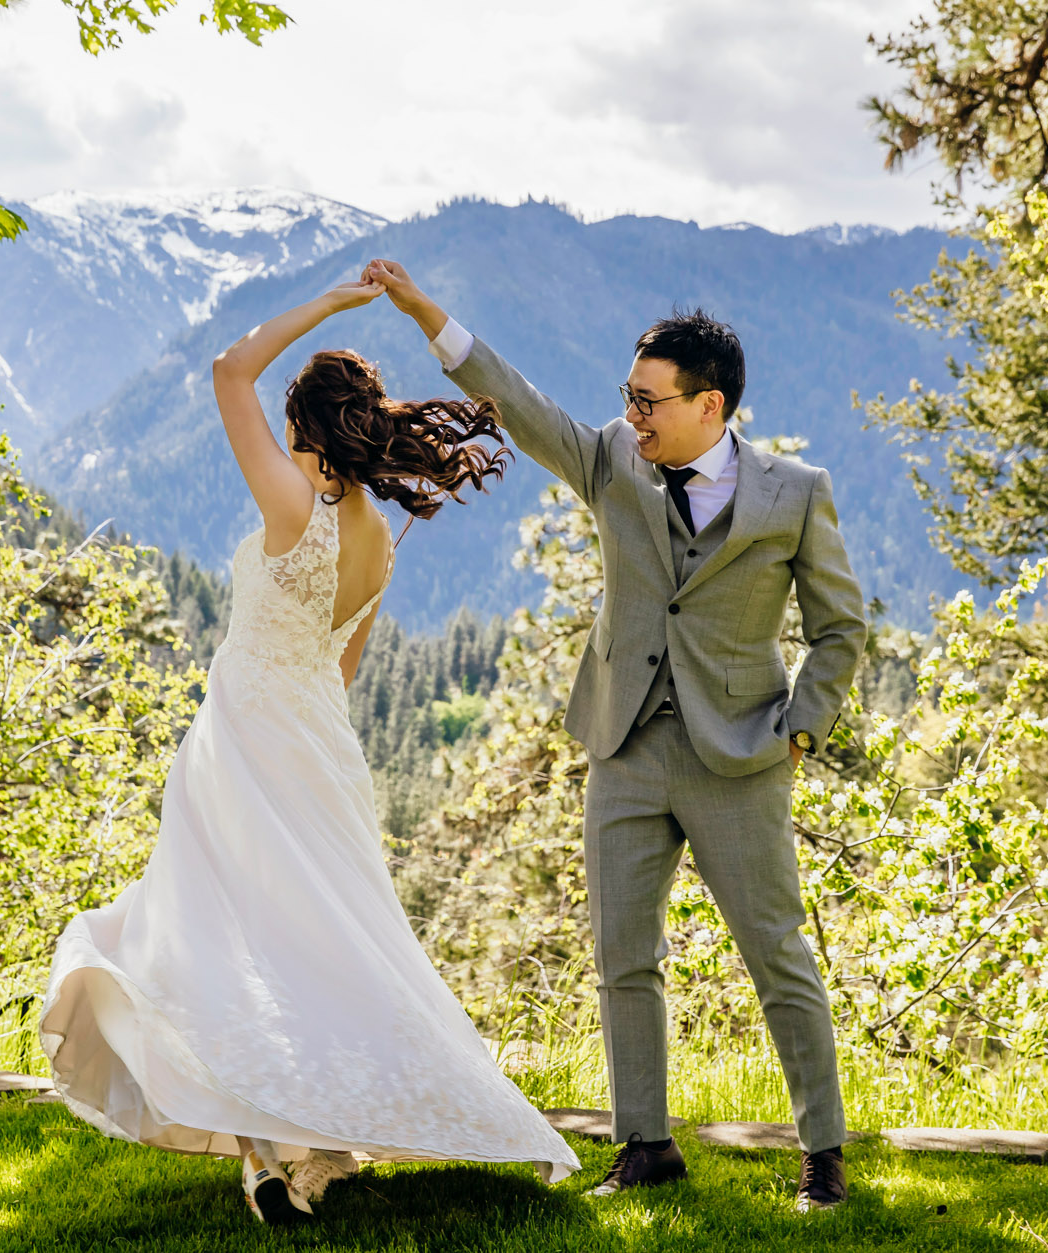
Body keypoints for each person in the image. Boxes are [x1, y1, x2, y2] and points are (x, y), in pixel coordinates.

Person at [38, 276, 579, 1228]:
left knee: (214, 937)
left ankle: (264, 1156)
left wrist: (329, 304)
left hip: (243, 738)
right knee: (328, 939)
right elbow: (345, 666)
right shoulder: (378, 541)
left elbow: (225, 368)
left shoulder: (293, 506)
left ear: (307, 431)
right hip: (319, 745)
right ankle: (310, 1143)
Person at [364, 258, 867, 1214]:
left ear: (709, 404)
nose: (630, 414)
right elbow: (516, 401)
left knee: (778, 957)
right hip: (624, 747)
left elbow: (841, 627)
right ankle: (644, 1144)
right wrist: (430, 313)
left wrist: (799, 731)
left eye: (648, 400)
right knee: (623, 956)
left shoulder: (794, 492)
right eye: (626, 397)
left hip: (742, 758)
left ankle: (824, 1154)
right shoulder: (608, 459)